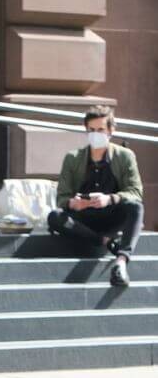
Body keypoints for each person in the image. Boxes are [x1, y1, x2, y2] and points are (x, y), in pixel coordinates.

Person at [47, 105, 145, 287]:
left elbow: (136, 192)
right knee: (55, 216)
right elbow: (61, 198)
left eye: (100, 129)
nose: (95, 134)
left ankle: (121, 261)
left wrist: (110, 199)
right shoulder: (73, 158)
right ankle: (104, 242)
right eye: (91, 130)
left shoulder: (125, 156)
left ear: (111, 131)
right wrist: (73, 204)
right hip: (83, 220)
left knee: (136, 207)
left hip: (112, 216)